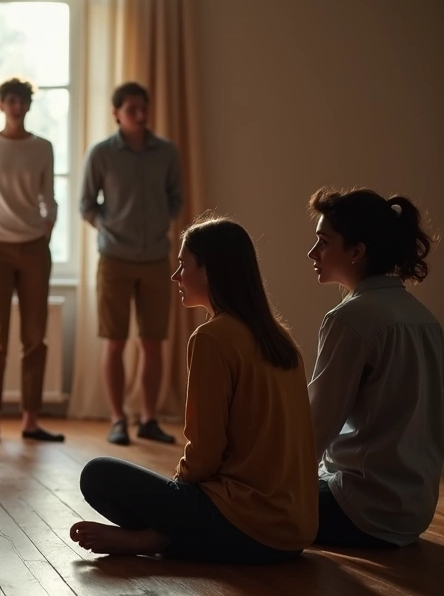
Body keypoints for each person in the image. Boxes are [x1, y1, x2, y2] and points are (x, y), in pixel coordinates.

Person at [70, 215, 317, 564]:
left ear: (209, 270)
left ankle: (153, 539)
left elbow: (204, 454)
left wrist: (176, 498)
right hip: (295, 532)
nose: (175, 276)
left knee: (98, 475)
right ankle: (166, 536)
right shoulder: (282, 339)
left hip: (247, 525)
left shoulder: (212, 337)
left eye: (183, 265)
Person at [306, 187, 443, 548]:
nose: (312, 253)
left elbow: (315, 431)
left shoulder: (350, 318)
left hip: (359, 510)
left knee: (236, 498)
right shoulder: (425, 320)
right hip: (413, 511)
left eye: (323, 242)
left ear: (357, 251)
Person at [80, 82, 183, 445]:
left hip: (156, 258)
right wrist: (111, 228)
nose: (140, 115)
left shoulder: (166, 152)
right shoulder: (101, 154)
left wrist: (158, 223)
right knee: (115, 342)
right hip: (114, 259)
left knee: (153, 342)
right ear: (116, 113)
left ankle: (149, 419)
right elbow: (86, 204)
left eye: (144, 108)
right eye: (132, 109)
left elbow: (176, 199)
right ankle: (117, 419)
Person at [0, 77, 63, 445]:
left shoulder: (42, 147)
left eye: (23, 101)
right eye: (11, 100)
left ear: (28, 105)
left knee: (35, 338)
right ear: (1, 104)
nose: (17, 106)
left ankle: (30, 420)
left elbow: (49, 196)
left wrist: (46, 229)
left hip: (34, 246)